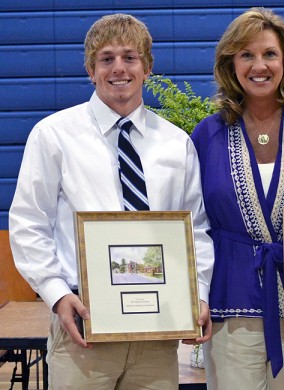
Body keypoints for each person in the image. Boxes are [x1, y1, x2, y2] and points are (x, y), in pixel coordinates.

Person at [9, 13, 214, 389]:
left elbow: (195, 230)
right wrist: (56, 294)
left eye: (129, 57)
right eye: (106, 59)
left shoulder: (176, 144)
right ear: (91, 69)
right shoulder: (53, 135)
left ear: (147, 67)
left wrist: (197, 294)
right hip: (83, 324)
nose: (118, 68)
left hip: (157, 328)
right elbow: (28, 222)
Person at [190, 7, 284, 390]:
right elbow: (192, 224)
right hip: (228, 301)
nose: (259, 65)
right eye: (247, 55)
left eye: (270, 53)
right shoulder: (206, 136)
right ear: (230, 64)